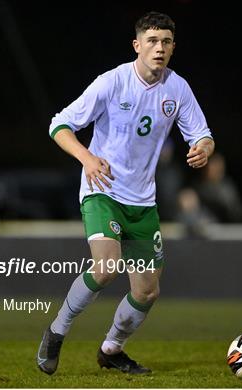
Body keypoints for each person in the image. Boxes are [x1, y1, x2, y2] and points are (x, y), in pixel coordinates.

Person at [37, 11, 215, 375]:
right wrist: (86, 157)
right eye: (151, 40)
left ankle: (112, 349)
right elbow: (60, 124)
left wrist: (204, 148)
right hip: (103, 190)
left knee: (147, 292)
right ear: (137, 45)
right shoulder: (112, 83)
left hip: (142, 202)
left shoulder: (177, 88)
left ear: (173, 47)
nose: (159, 48)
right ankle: (57, 330)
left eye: (165, 41)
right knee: (106, 267)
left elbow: (202, 133)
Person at [195, 152, 242, 222]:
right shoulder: (198, 187)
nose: (216, 170)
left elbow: (237, 213)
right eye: (213, 166)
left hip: (226, 226)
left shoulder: (227, 186)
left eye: (219, 166)